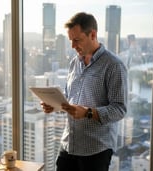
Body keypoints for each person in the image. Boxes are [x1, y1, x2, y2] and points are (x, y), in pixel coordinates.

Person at [41, 12, 128, 171]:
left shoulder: (114, 66)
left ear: (93, 34)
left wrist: (88, 112)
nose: (73, 46)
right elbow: (70, 99)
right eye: (70, 41)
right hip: (69, 144)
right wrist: (55, 106)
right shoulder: (74, 63)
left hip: (95, 151)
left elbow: (119, 109)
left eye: (77, 40)